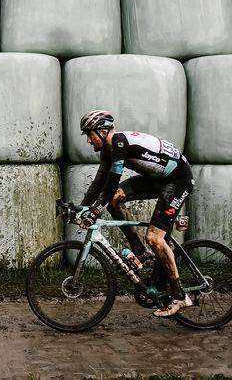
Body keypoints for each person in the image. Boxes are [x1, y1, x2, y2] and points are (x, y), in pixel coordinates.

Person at [77, 109, 195, 317]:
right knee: (114, 199)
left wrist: (95, 212)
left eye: (89, 134)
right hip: (158, 178)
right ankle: (139, 250)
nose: (88, 140)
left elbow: (112, 182)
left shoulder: (119, 144)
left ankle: (179, 296)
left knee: (155, 237)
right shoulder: (108, 148)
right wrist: (82, 207)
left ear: (103, 132)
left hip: (177, 180)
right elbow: (99, 184)